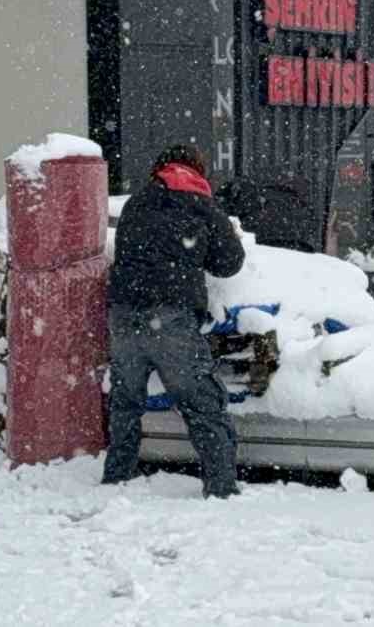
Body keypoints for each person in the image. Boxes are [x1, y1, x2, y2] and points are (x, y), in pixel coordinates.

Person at [103, 144, 247, 498]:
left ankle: (117, 476)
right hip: (170, 317)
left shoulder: (136, 203)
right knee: (201, 402)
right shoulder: (201, 204)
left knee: (125, 402)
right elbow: (229, 263)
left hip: (123, 314)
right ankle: (221, 486)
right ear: (198, 171)